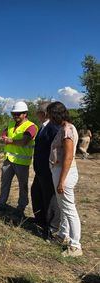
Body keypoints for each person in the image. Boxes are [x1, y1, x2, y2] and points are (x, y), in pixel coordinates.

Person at [47, 101, 82, 257]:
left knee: (69, 209)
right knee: (64, 207)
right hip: (60, 171)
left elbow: (68, 157)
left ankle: (75, 246)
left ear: (56, 114)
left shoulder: (67, 130)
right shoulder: (64, 128)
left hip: (64, 173)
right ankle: (63, 235)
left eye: (50, 114)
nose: (49, 117)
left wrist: (61, 181)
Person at [0, 101, 38, 217]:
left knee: (22, 186)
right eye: (13, 114)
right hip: (8, 160)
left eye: (18, 114)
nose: (15, 116)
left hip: (21, 162)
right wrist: (2, 139)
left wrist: (10, 141)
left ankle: (21, 207)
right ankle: (1, 204)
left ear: (25, 114)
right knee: (4, 183)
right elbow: (0, 138)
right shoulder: (10, 125)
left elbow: (25, 141)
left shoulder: (31, 127)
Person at [31, 102, 60, 239]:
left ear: (43, 114)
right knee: (36, 193)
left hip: (48, 169)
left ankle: (52, 228)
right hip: (40, 169)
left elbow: (58, 147)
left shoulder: (53, 127)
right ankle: (40, 220)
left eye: (37, 112)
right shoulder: (43, 127)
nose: (36, 115)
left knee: (50, 198)